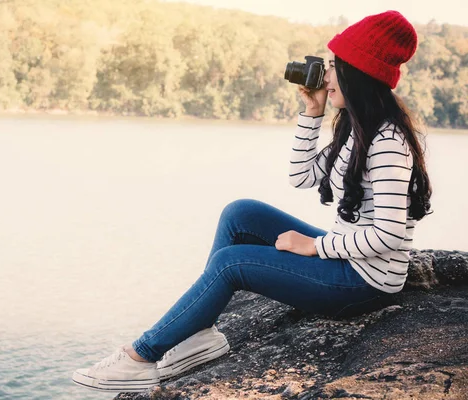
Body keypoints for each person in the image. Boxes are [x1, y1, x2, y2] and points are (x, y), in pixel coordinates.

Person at [72, 10, 432, 393]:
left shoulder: (387, 141)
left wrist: (314, 247)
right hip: (348, 261)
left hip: (364, 282)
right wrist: (312, 114)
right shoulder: (357, 130)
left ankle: (141, 355)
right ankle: (202, 333)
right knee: (240, 213)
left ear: (358, 73)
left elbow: (390, 233)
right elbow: (303, 176)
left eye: (334, 66)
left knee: (233, 263)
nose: (326, 76)